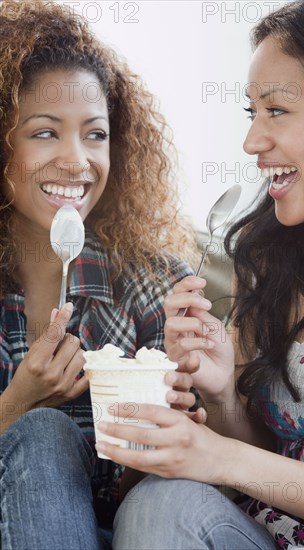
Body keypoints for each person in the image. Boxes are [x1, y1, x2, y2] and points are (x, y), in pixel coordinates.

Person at [96, 0, 304, 548]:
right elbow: (265, 459)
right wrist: (221, 394)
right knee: (159, 503)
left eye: (278, 110)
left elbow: (241, 462)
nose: (252, 142)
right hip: (267, 533)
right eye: (252, 112)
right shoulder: (268, 259)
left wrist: (221, 456)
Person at [0, 0, 199, 548]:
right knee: (38, 430)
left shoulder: (156, 285)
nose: (76, 160)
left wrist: (159, 433)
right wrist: (19, 401)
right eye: (44, 133)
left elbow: (152, 501)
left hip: (122, 532)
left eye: (95, 134)